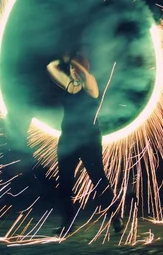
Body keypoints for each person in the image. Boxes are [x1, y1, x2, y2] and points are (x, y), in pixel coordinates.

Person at [47, 52, 123, 235]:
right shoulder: (69, 85)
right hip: (67, 140)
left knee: (98, 179)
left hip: (89, 140)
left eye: (75, 67)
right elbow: (51, 67)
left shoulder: (91, 84)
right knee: (65, 183)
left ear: (83, 68)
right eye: (71, 68)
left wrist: (73, 62)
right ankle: (68, 224)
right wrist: (64, 61)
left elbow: (85, 75)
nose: (72, 70)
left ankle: (115, 218)